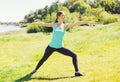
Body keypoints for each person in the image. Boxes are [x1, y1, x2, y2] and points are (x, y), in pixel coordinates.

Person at [30, 11, 91, 76]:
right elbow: (43, 24)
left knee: (74, 55)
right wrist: (34, 23)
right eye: (63, 15)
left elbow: (76, 23)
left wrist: (86, 22)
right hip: (51, 46)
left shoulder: (65, 26)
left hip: (60, 47)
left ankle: (77, 72)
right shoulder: (54, 24)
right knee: (43, 59)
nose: (64, 16)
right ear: (58, 17)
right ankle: (35, 70)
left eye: (64, 15)